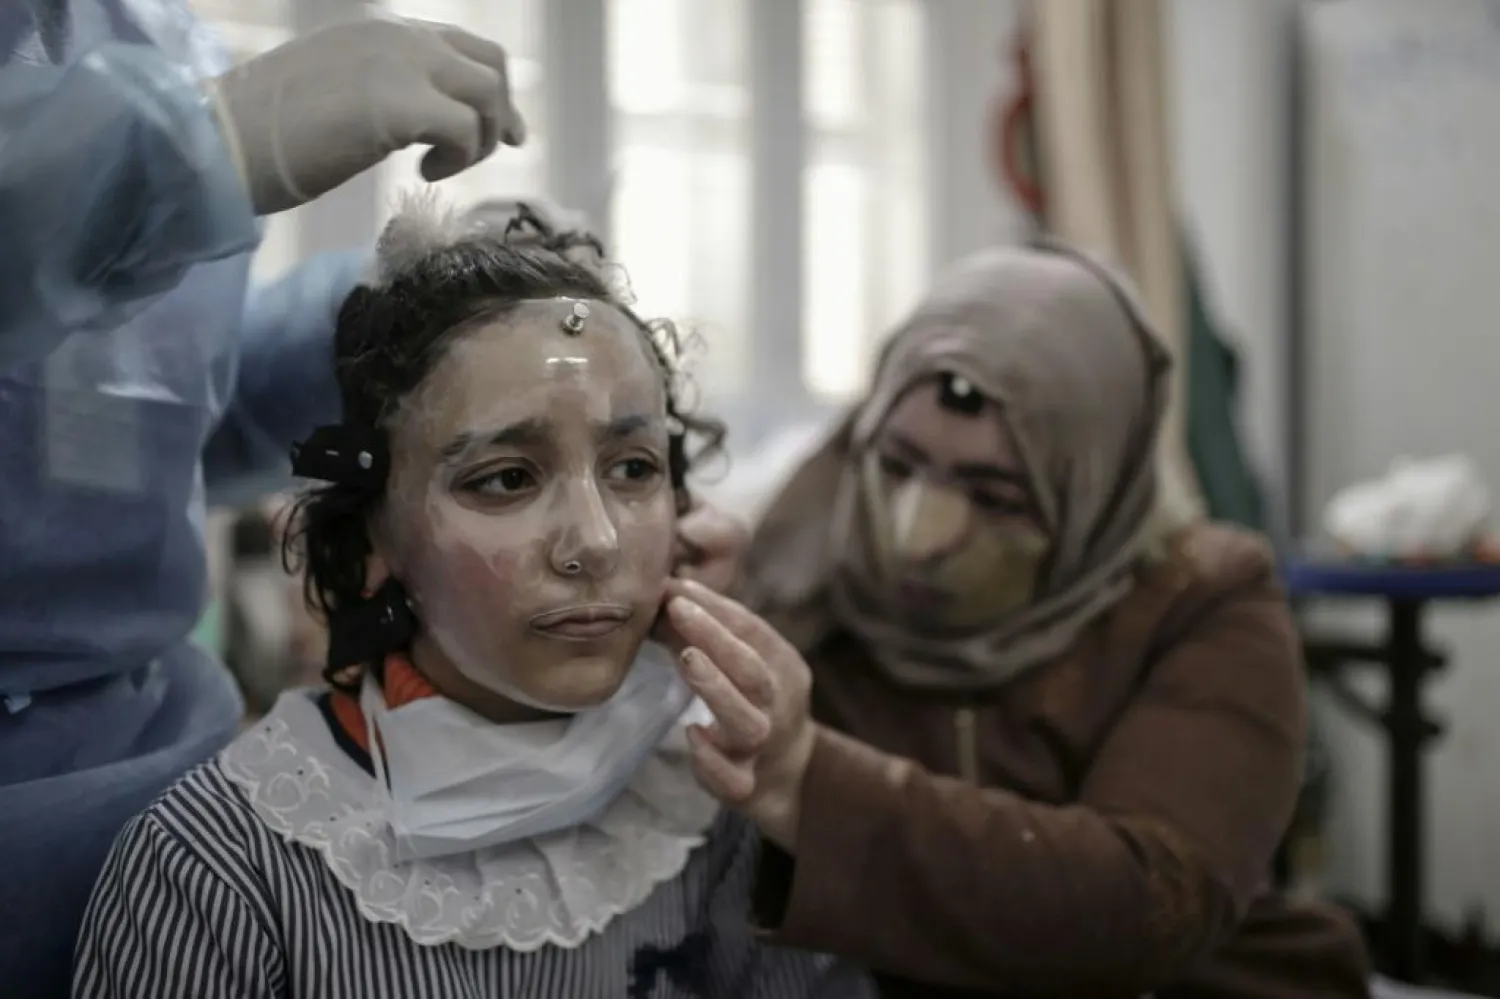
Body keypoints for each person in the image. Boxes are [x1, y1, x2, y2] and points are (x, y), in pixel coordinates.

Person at [72, 198, 874, 999]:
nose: (595, 541)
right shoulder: (221, 866)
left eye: (632, 468)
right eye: (506, 478)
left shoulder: (715, 804)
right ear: (376, 536)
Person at [652, 243, 1373, 997]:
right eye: (897, 465)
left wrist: (809, 780)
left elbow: (1146, 902)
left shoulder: (1202, 599)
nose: (918, 535)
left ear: (1088, 488)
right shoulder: (801, 569)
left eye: (993, 495)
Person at [0, 2, 531, 993]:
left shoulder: (149, 31)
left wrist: (378, 333)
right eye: (512, 476)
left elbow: (153, 415)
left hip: (155, 785)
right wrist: (201, 144)